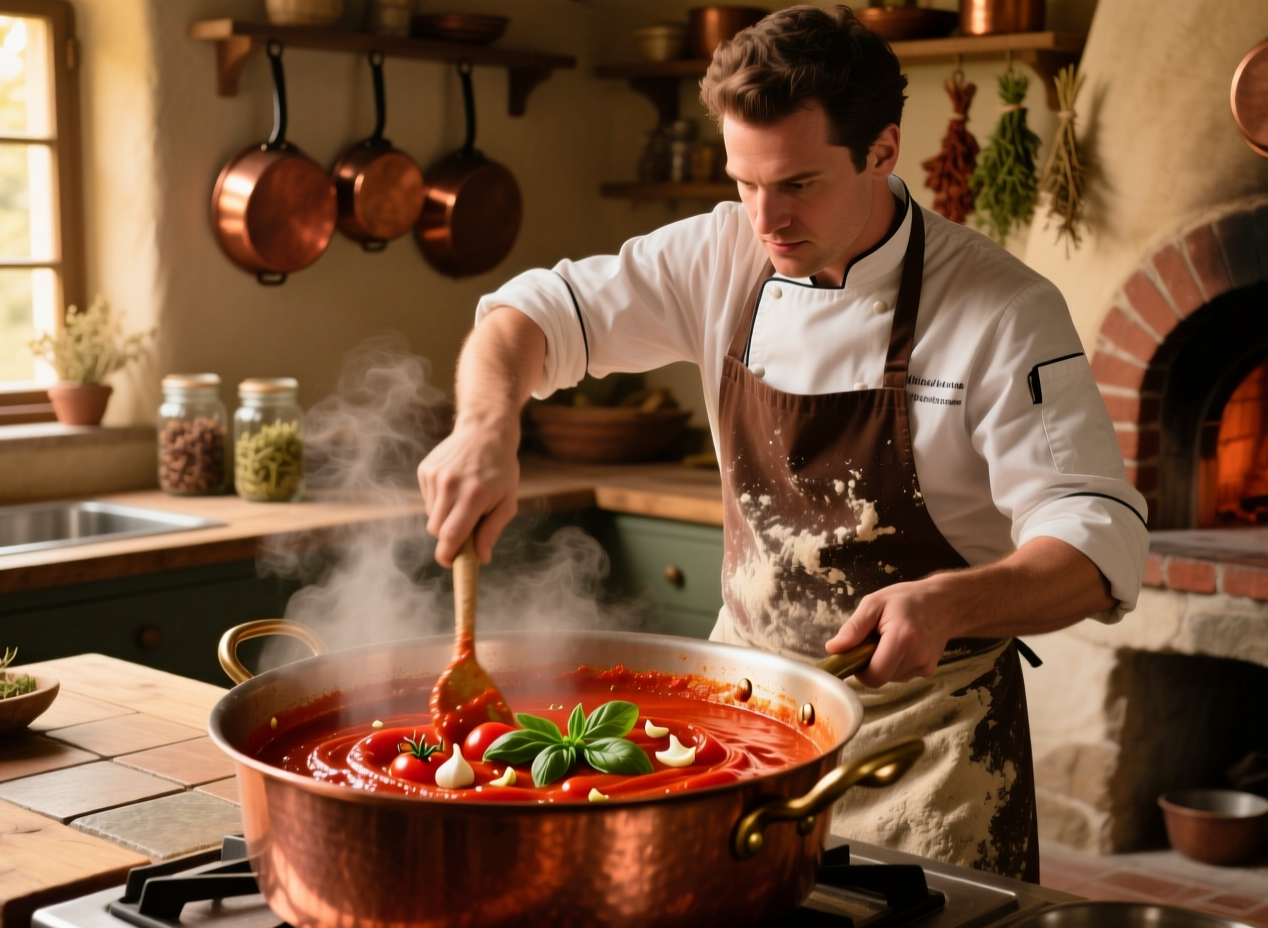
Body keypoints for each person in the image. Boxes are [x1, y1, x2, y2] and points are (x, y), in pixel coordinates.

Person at [417, 5, 1148, 880]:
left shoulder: (1004, 311)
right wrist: (487, 424)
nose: (765, 218)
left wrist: (952, 602)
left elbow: (1097, 539)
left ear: (883, 150)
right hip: (747, 716)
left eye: (798, 184)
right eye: (743, 181)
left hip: (926, 743)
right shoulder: (719, 254)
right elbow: (526, 314)